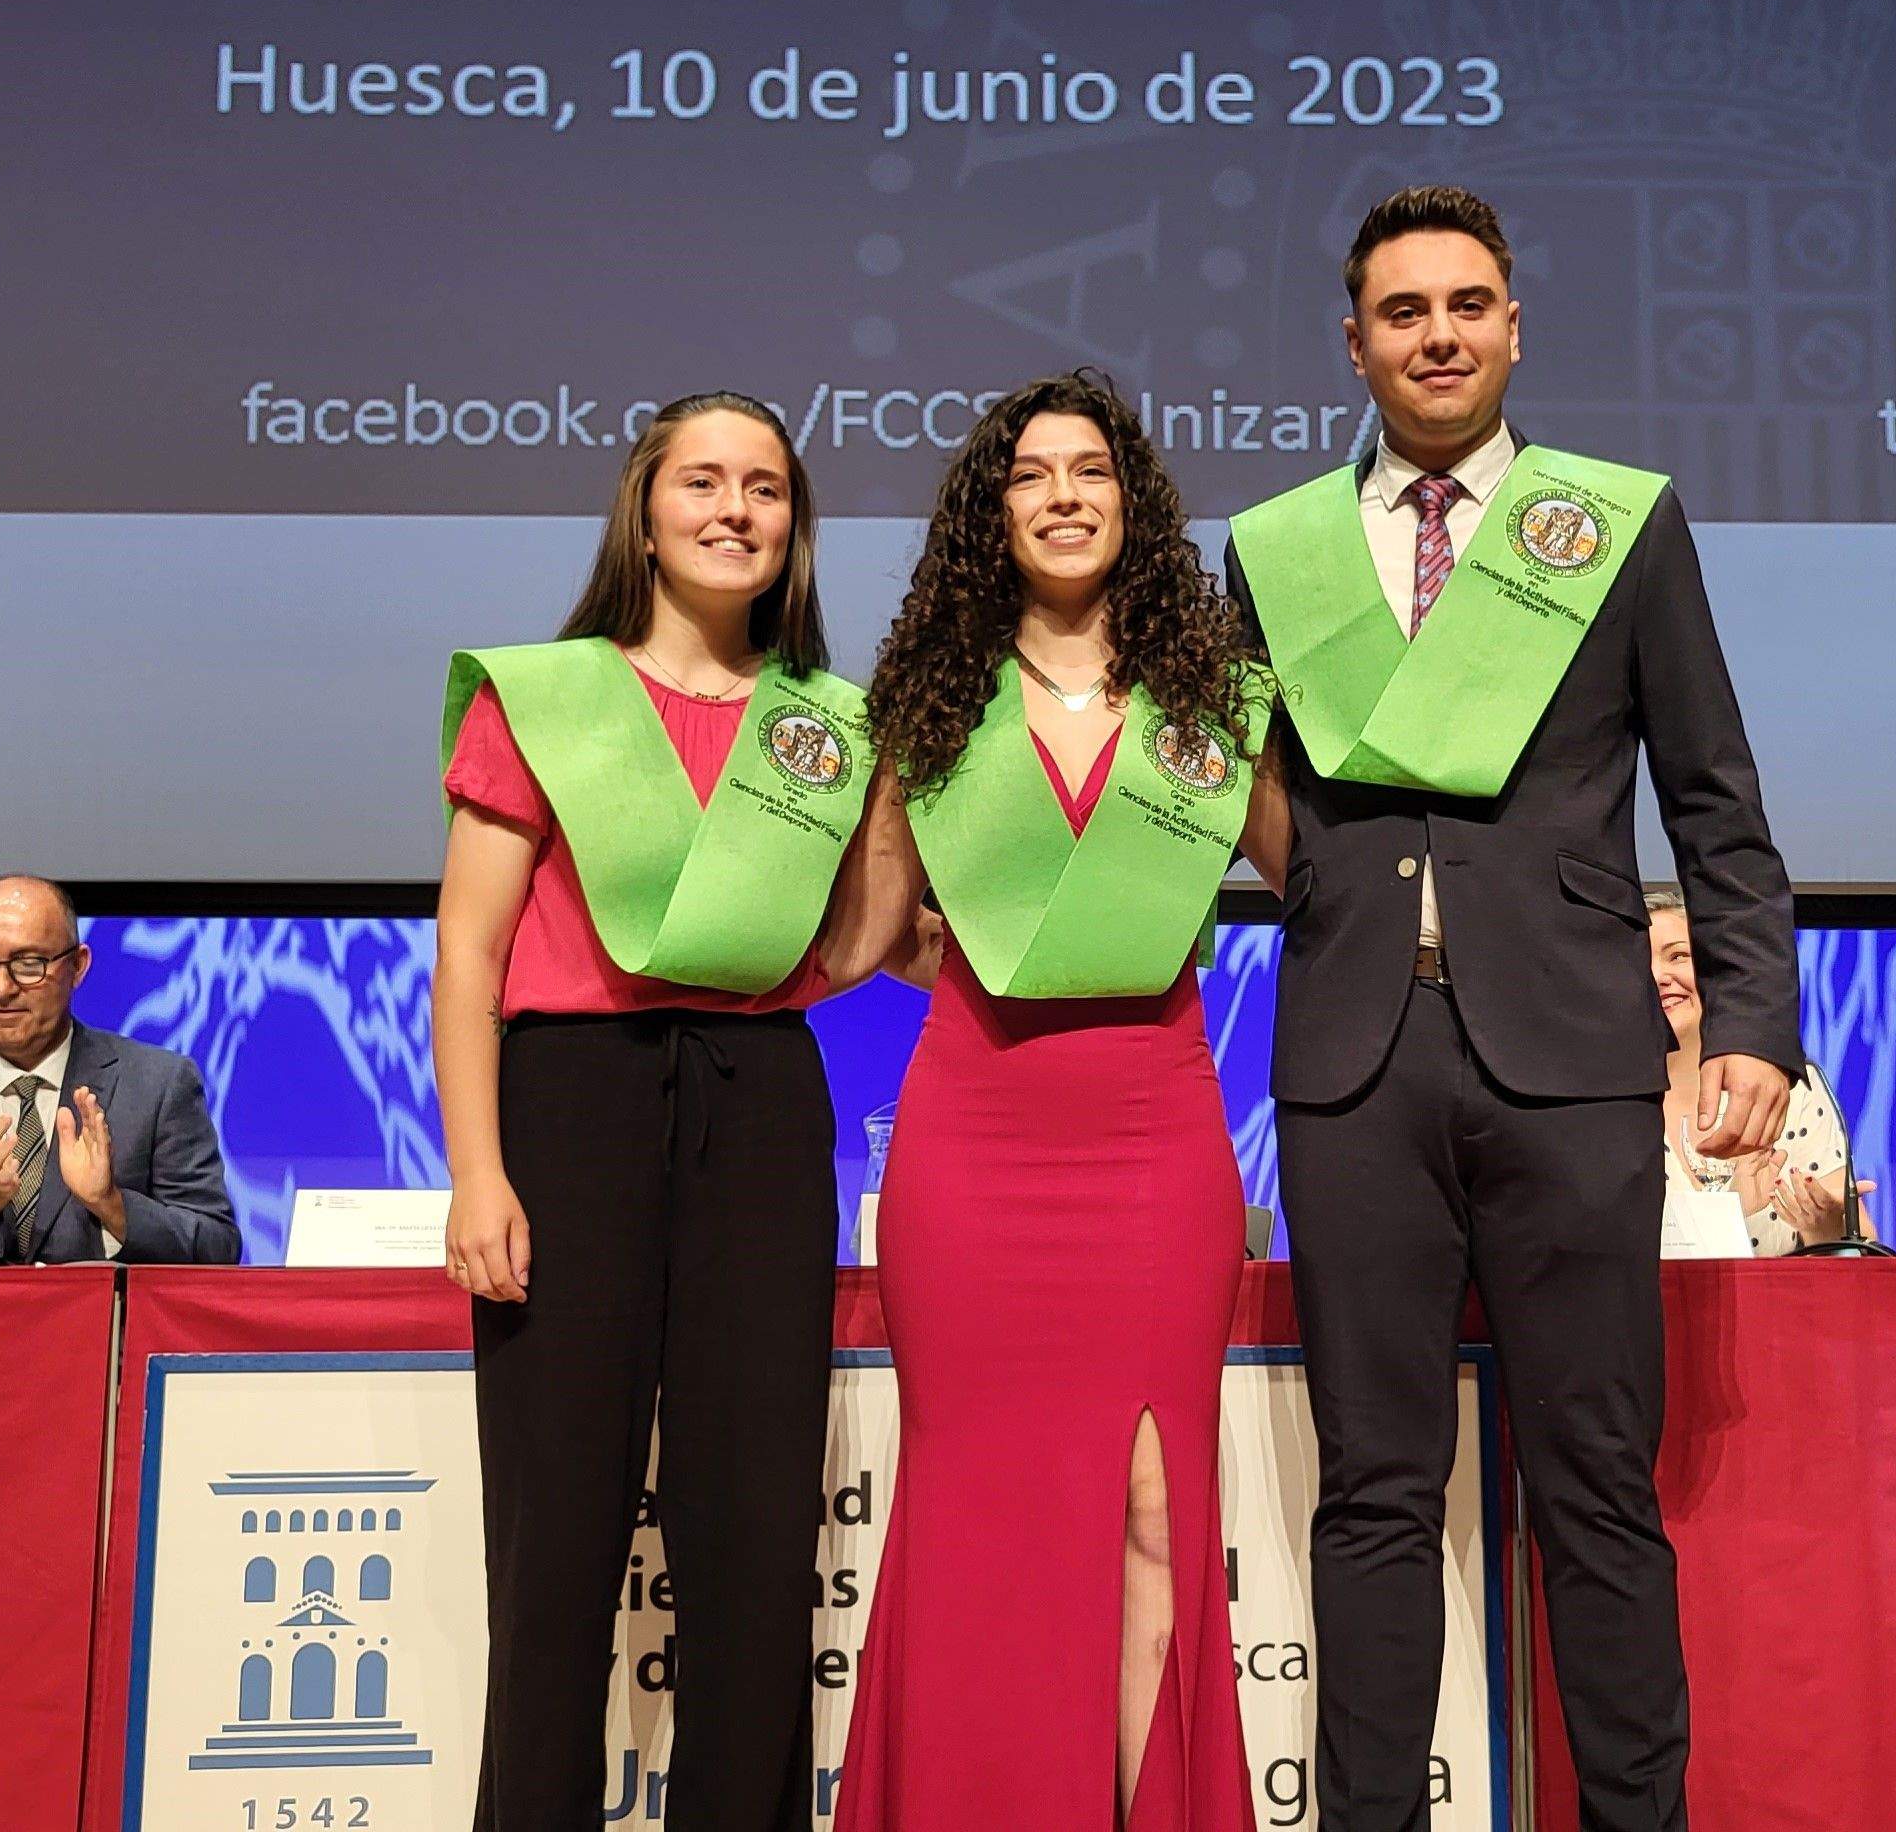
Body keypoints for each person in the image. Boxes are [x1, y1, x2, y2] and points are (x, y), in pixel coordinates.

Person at [1222, 185, 1801, 1830]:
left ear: (1512, 324)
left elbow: (1714, 796)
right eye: (1401, 312)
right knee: (1372, 1500)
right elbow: (1249, 798)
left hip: (1569, 1067)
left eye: (1465, 303)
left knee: (1596, 1496)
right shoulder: (1274, 552)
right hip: (1351, 1066)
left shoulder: (1613, 522)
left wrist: (1749, 1016)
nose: (1437, 334)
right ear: (1352, 343)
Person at [432, 392, 908, 1831]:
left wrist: (892, 787)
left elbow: (851, 945)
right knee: (557, 1537)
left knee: (755, 1535)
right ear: (646, 511)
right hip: (568, 1104)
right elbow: (468, 953)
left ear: (794, 527)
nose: (734, 509)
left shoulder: (826, 726)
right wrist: (478, 1172)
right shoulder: (552, 697)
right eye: (702, 481)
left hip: (759, 1105)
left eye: (765, 488)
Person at [832, 372, 1285, 1831]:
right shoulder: (930, 703)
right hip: (975, 1139)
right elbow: (868, 932)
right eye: (1031, 474)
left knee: (1156, 1517)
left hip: (1155, 1139)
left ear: (1134, 504)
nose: (1065, 494)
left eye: (1091, 469)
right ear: (992, 511)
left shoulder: (1209, 700)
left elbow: (1320, 883)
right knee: (976, 1531)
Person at [0, 874, 239, 1265]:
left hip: (101, 1325)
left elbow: (216, 1246)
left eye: (28, 963)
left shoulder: (160, 1085)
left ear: (77, 966)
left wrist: (112, 1205)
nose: (1, 989)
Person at [1647, 884, 1867, 1255]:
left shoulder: (1790, 1089)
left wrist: (1827, 1228)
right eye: (1639, 962)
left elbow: (1863, 1262)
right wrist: (1728, 1210)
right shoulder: (1595, 1104)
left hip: (1779, 1311)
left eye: (1678, 956)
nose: (1658, 975)